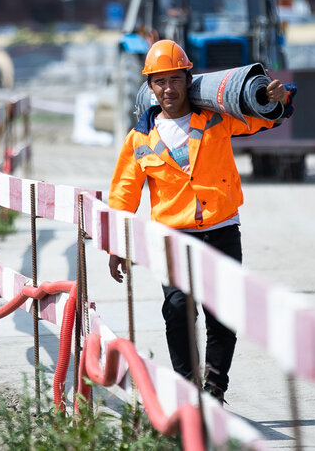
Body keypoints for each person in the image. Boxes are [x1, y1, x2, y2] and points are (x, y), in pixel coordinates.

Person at [107, 39, 294, 403]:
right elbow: (123, 195)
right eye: (159, 81)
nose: (168, 88)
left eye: (175, 79)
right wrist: (117, 245)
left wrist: (278, 98)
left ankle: (214, 389)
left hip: (221, 230)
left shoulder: (216, 120)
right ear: (149, 86)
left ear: (187, 80)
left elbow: (264, 117)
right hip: (172, 237)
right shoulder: (139, 139)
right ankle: (186, 389)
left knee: (222, 314)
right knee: (177, 312)